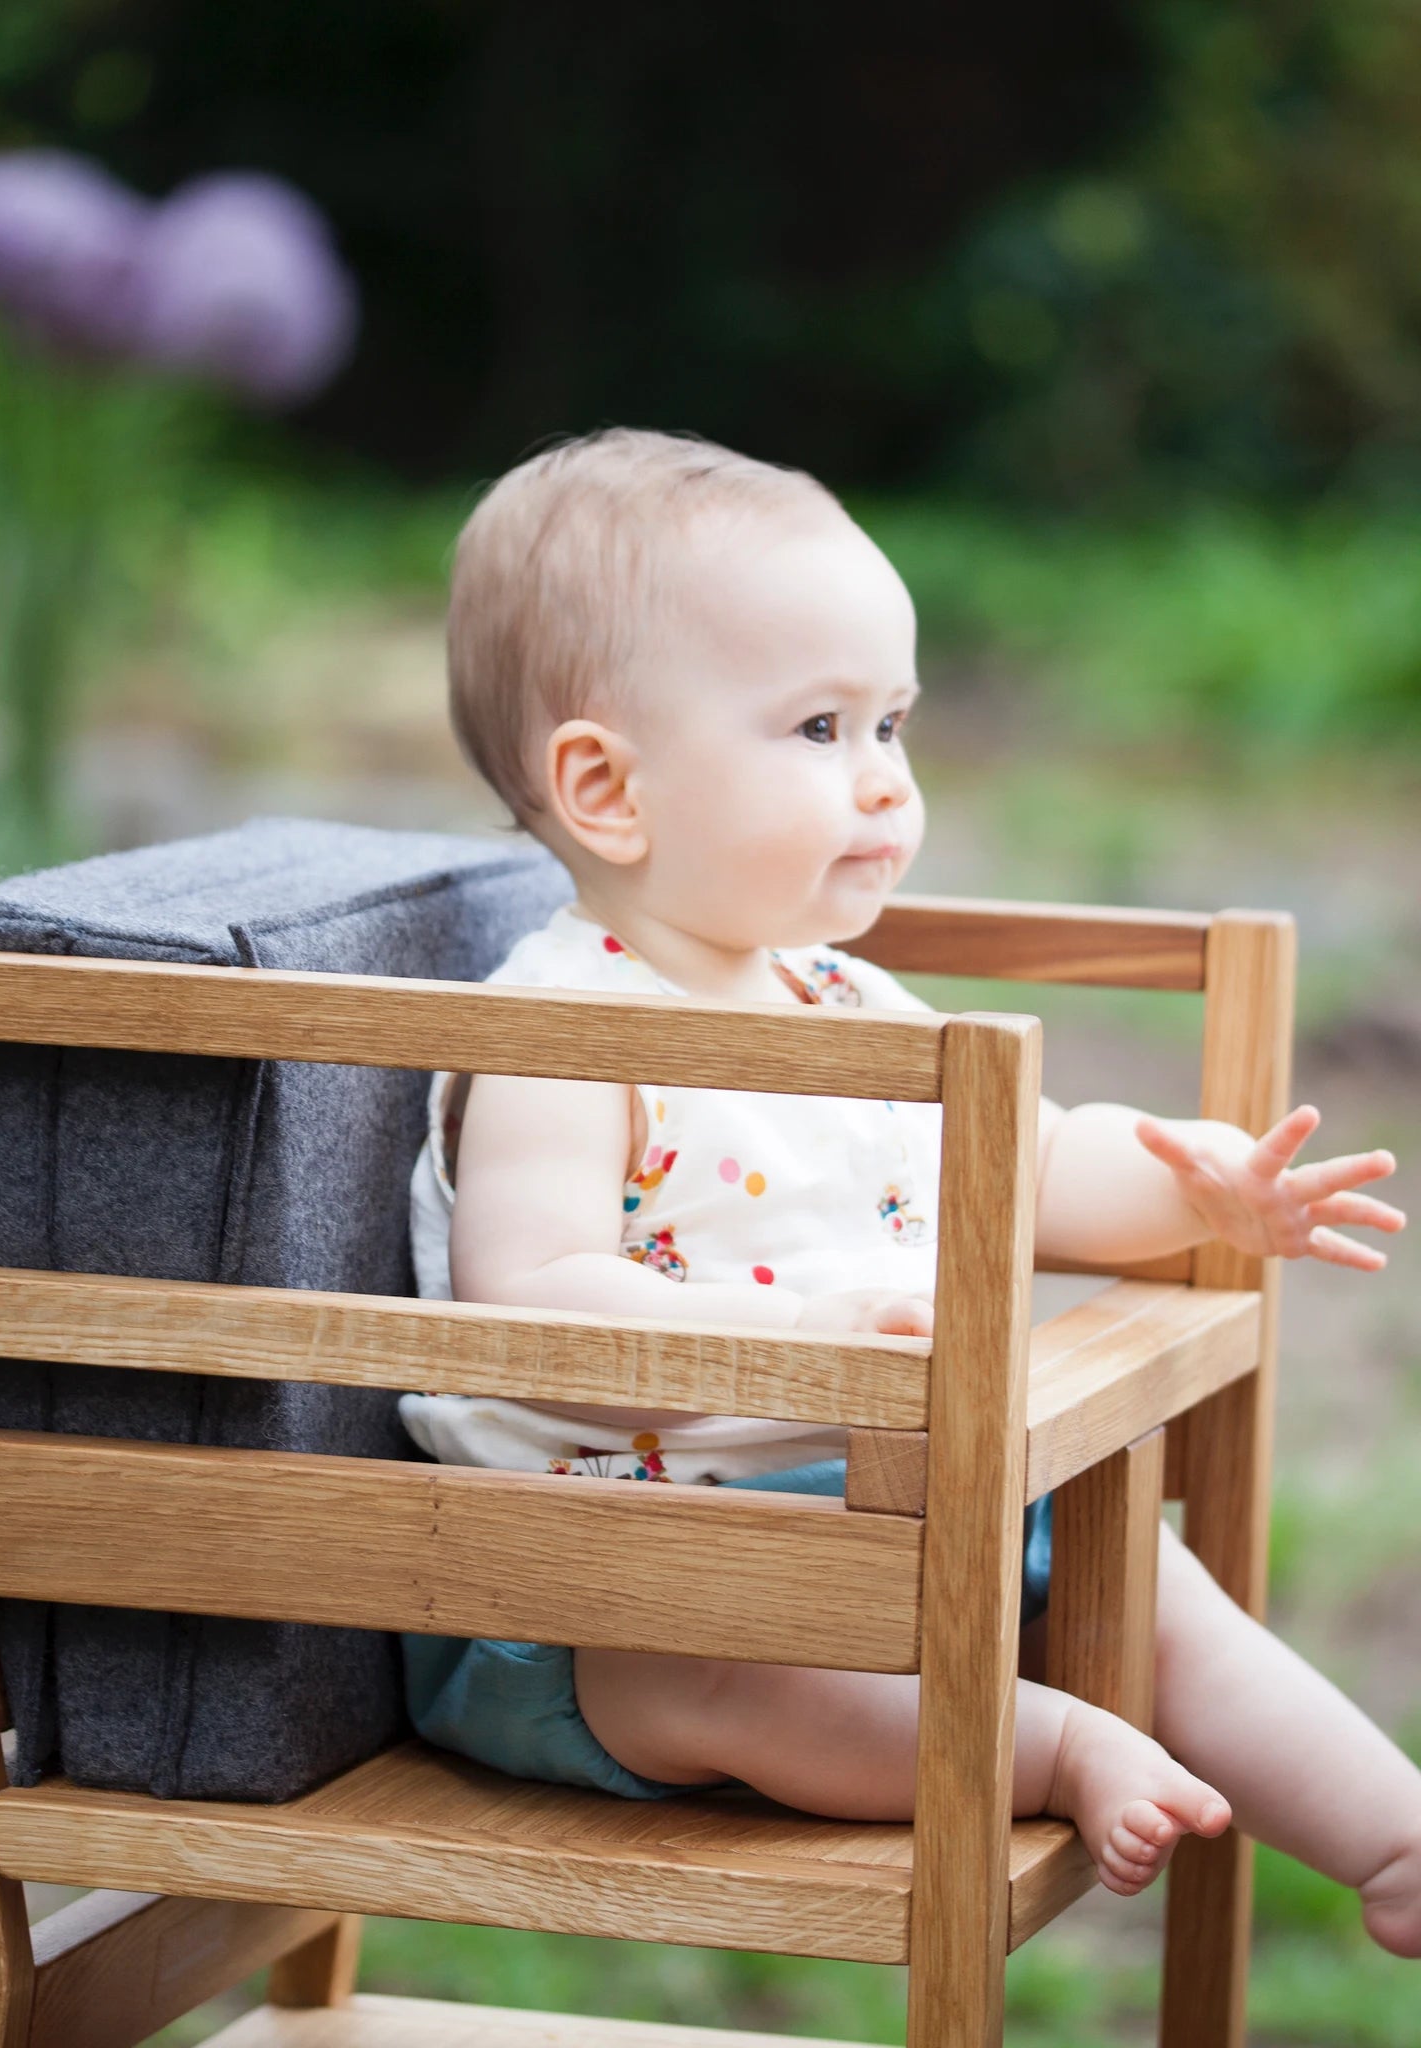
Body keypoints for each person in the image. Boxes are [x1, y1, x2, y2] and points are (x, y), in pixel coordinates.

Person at [398, 428, 1420, 1953]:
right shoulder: (562, 1033)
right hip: (600, 1583)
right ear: (607, 789)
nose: (885, 786)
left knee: (1135, 1562)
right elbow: (533, 1299)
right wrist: (806, 1328)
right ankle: (1055, 1744)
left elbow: (1039, 1166)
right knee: (721, 1676)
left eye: (896, 726)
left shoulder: (836, 1000)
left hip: (881, 1518)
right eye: (820, 730)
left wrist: (1191, 1185)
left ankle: (1393, 1836)